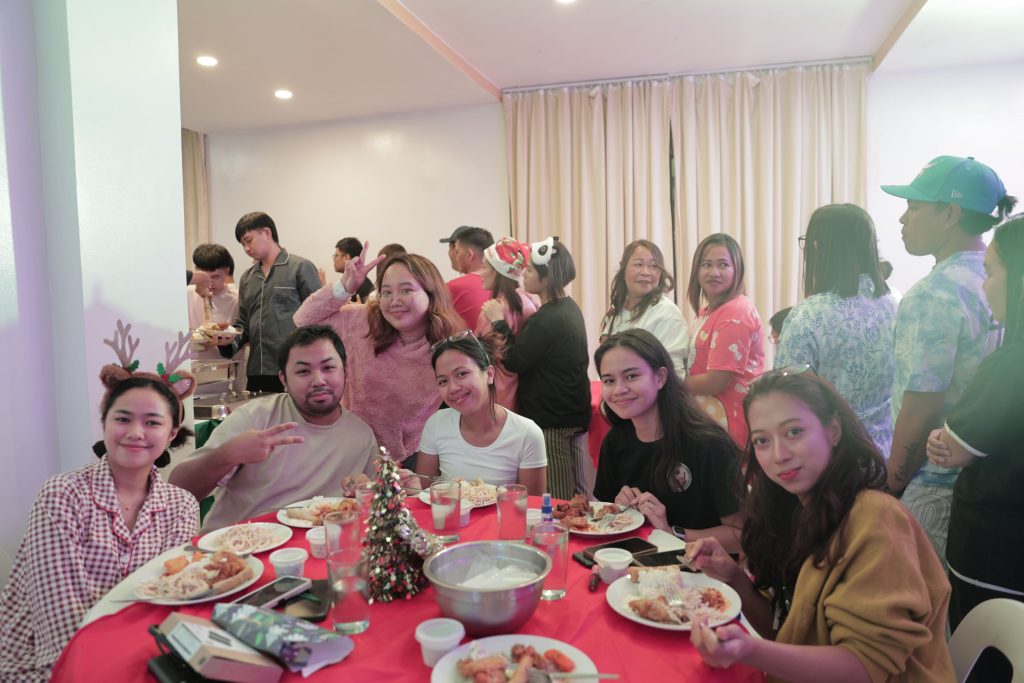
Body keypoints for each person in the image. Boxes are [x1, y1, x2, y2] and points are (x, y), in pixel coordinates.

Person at [687, 369, 954, 683]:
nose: (779, 455)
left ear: (833, 430)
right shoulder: (792, 511)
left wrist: (750, 651)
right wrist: (733, 577)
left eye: (794, 432)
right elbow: (784, 630)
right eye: (762, 440)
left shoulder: (876, 518)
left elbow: (863, 669)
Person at [0, 322, 199, 682]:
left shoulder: (182, 506)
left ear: (171, 434)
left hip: (139, 653)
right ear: (105, 423)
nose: (136, 433)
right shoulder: (61, 494)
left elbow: (172, 598)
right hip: (46, 663)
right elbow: (60, 623)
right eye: (122, 418)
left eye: (152, 422)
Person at [881, 156, 1016, 562]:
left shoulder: (933, 294)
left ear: (951, 214)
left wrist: (891, 485)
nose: (903, 219)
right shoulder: (1002, 279)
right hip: (989, 476)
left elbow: (921, 406)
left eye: (914, 207)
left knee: (918, 596)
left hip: (934, 484)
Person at [927, 216, 1024, 683]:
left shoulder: (1011, 364)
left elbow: (953, 449)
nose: (985, 285)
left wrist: (939, 439)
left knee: (987, 659)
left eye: (992, 271)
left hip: (996, 549)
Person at [171, 325, 380, 531]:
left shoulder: (360, 435)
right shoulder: (255, 418)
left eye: (328, 368)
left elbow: (374, 507)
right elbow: (178, 491)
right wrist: (228, 455)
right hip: (235, 546)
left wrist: (366, 490)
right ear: (283, 380)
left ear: (345, 371)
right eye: (303, 371)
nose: (318, 380)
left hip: (311, 548)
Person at [293, 248, 464, 465]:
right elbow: (303, 320)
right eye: (386, 292)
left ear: (431, 294)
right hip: (348, 446)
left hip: (410, 456)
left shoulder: (447, 345)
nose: (394, 301)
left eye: (406, 290)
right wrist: (344, 287)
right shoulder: (363, 321)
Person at [593, 330, 743, 551]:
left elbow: (742, 536)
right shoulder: (615, 441)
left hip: (696, 566)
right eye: (609, 380)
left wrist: (671, 533)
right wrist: (617, 509)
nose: (619, 389)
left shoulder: (709, 444)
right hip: (631, 560)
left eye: (631, 376)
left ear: (660, 377)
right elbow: (600, 517)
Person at [775, 204, 898, 456]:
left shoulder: (807, 316)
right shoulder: (896, 303)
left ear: (817, 247)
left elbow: (785, 398)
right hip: (889, 452)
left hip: (831, 456)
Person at [481, 236, 591, 500]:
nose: (524, 275)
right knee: (579, 492)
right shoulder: (569, 308)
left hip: (553, 420)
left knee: (558, 499)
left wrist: (498, 321)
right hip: (572, 413)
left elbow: (514, 360)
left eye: (530, 270)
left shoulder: (547, 318)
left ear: (546, 278)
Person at [416, 331, 547, 494]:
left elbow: (533, 505)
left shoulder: (527, 433)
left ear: (489, 374)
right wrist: (409, 485)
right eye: (443, 381)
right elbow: (425, 494)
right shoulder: (436, 424)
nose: (453, 388)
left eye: (462, 374)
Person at [218, 211, 321, 393]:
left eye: (248, 240)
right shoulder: (248, 277)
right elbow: (243, 322)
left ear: (267, 232)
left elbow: (319, 317)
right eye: (242, 244)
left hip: (295, 368)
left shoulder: (300, 267)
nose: (246, 248)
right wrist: (226, 340)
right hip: (257, 371)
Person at [683, 233, 765, 446]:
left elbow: (715, 382)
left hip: (730, 424)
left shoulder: (735, 313)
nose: (714, 272)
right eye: (706, 264)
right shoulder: (708, 310)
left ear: (737, 270)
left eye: (723, 265)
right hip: (710, 421)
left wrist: (672, 383)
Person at [600, 240, 689, 379]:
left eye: (653, 266)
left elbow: (674, 375)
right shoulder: (617, 308)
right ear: (623, 268)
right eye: (638, 264)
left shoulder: (666, 314)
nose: (646, 272)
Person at [477, 237, 538, 411]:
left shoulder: (493, 310)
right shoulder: (528, 301)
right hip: (524, 390)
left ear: (497, 271)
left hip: (498, 393)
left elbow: (480, 354)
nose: (480, 273)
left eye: (484, 267)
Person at [188, 243, 241, 362]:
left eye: (216, 277)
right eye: (205, 277)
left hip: (226, 366)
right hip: (193, 364)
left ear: (227, 271)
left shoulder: (237, 298)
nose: (210, 283)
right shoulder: (187, 294)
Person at [441, 225, 494, 328]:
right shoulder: (502, 284)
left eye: (458, 252)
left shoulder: (453, 287)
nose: (456, 257)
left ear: (470, 254)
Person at [319, 237, 373, 302]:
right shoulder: (350, 282)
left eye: (336, 255)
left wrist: (322, 286)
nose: (334, 260)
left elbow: (334, 306)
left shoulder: (357, 285)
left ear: (346, 257)